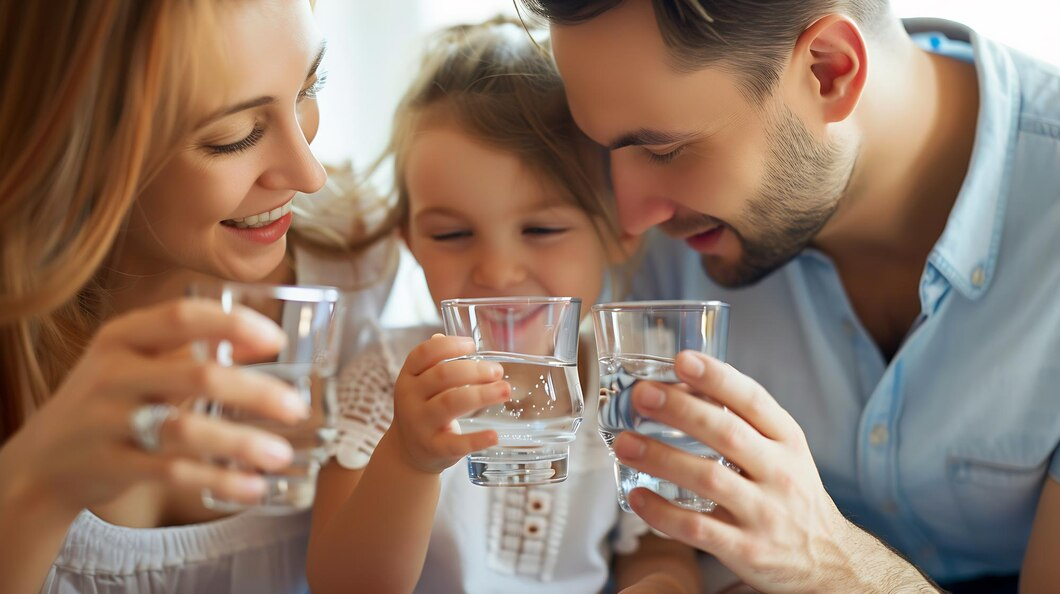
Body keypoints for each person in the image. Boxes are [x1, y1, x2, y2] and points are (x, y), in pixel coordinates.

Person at [520, 1, 1060, 592]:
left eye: (665, 150)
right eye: (607, 150)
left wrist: (830, 563)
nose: (631, 217)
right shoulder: (674, 225)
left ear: (830, 71)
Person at [0, 1, 395, 592]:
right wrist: (34, 491)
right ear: (74, 147)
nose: (309, 174)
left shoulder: (353, 258)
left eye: (309, 87)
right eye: (233, 138)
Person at [306, 17, 703, 594]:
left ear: (621, 230)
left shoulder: (638, 385)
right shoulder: (390, 378)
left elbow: (660, 550)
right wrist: (408, 459)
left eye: (541, 229)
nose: (496, 271)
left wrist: (662, 581)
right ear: (410, 243)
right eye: (450, 235)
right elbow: (341, 583)